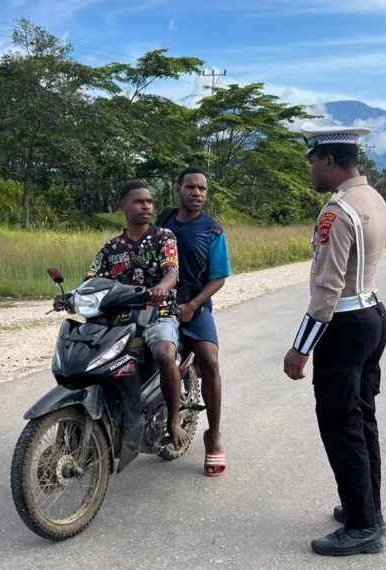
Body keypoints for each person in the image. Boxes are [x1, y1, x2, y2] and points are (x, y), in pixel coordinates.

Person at [282, 124, 386, 557]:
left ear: (329, 160)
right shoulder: (373, 198)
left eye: (313, 162)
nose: (311, 170)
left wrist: (301, 347)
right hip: (373, 314)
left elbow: (327, 290)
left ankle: (363, 527)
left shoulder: (337, 211)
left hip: (344, 325)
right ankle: (366, 509)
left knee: (341, 424)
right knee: (361, 418)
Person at [83, 180, 191, 448]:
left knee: (164, 353)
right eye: (139, 201)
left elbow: (172, 271)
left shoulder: (164, 237)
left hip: (159, 313)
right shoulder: (111, 248)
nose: (146, 206)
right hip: (119, 319)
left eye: (149, 201)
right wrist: (72, 296)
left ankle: (173, 420)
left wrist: (162, 288)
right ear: (123, 205)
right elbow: (91, 279)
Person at [157, 166, 232, 477]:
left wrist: (193, 305)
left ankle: (213, 436)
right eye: (190, 187)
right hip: (161, 305)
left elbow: (219, 277)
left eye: (202, 189)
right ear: (179, 189)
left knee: (210, 363)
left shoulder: (212, 230)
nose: (197, 193)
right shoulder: (164, 220)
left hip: (195, 308)